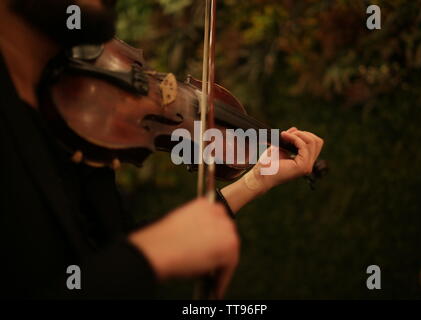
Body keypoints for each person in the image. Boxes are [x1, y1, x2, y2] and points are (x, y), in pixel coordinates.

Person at [0, 0, 324, 299]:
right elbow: (140, 254)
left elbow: (108, 251)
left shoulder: (71, 120)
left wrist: (258, 180)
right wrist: (150, 254)